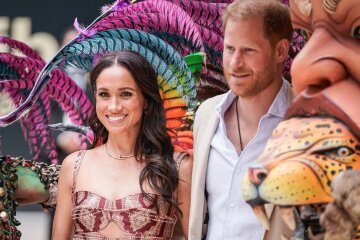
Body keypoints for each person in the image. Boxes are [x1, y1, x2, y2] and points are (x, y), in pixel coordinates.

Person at [52, 51, 192, 239]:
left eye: (125, 94)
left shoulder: (178, 166)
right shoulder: (74, 165)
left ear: (146, 101)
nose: (114, 106)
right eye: (104, 94)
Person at [189, 0, 294, 239]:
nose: (235, 63)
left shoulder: (306, 121)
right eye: (229, 48)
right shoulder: (207, 114)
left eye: (248, 50)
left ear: (280, 51)